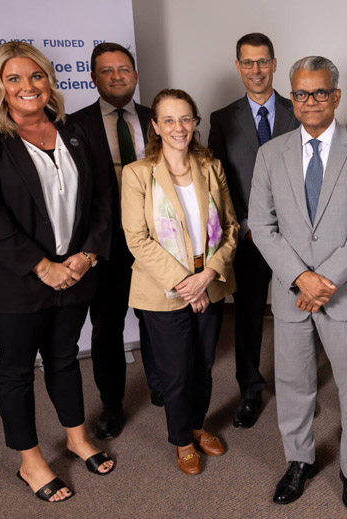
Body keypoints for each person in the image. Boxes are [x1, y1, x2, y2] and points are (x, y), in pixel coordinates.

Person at [0, 41, 114, 502]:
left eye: (36, 76)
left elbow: (103, 198)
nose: (28, 86)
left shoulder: (75, 130)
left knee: (64, 359)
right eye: (15, 78)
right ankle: (31, 460)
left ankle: (77, 438)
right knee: (17, 370)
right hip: (11, 281)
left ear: (49, 80)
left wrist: (87, 256)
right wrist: (42, 266)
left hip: (74, 273)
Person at [248, 56, 347, 512]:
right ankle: (299, 460)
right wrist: (301, 278)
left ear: (336, 96)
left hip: (345, 291)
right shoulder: (270, 154)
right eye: (302, 93)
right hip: (292, 292)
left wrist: (324, 280)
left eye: (320, 92)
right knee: (293, 384)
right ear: (292, 97)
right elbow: (261, 225)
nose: (311, 101)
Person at [120, 89, 239, 475]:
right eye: (169, 120)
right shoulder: (138, 174)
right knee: (175, 371)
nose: (178, 127)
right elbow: (137, 239)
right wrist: (187, 284)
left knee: (203, 364)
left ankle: (198, 426)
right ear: (155, 125)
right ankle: (182, 440)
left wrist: (207, 275)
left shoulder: (211, 167)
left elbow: (230, 227)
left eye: (186, 118)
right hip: (163, 290)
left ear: (195, 122)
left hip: (210, 282)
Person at [208, 33, 300, 429]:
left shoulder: (299, 108)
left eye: (263, 61)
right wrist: (246, 225)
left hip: (297, 238)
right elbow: (218, 182)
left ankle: (297, 389)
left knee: (298, 316)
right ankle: (250, 390)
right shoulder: (221, 119)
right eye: (248, 62)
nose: (256, 70)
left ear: (275, 64)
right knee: (247, 319)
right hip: (247, 239)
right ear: (238, 67)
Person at [68, 42, 158, 441]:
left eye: (123, 69)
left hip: (156, 238)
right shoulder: (73, 125)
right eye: (107, 70)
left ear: (135, 75)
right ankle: (112, 404)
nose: (117, 76)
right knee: (107, 326)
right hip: (105, 243)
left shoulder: (156, 118)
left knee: (156, 317)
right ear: (93, 78)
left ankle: (160, 385)